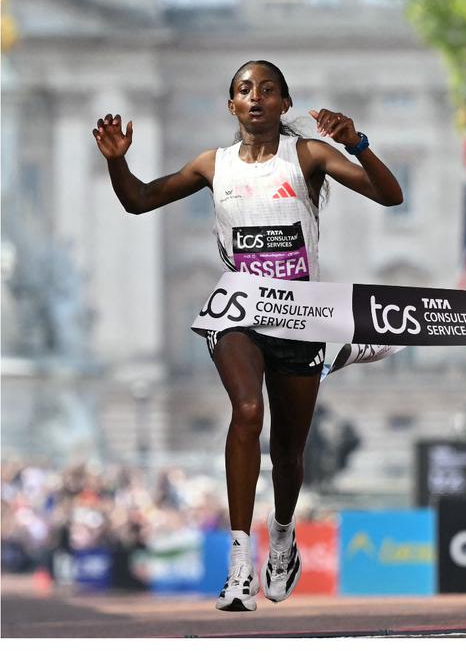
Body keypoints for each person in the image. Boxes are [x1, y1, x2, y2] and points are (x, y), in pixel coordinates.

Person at [93, 60, 401, 612]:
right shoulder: (214, 165)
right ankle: (240, 563)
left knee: (288, 449)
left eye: (267, 90)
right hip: (238, 311)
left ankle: (281, 537)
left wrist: (359, 144)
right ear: (230, 105)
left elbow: (390, 195)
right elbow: (139, 200)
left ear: (284, 104)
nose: (255, 97)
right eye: (243, 90)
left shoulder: (308, 156)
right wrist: (119, 164)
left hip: (299, 314)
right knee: (247, 413)